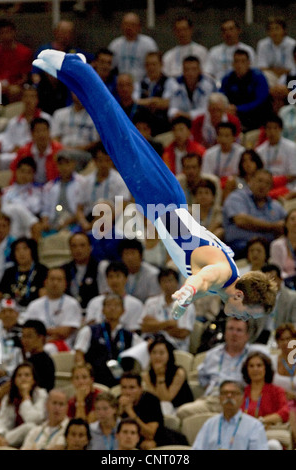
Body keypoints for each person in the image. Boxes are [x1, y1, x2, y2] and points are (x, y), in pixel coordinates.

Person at [32, 49, 279, 322]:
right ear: (240, 296)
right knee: (115, 128)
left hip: (163, 201)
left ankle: (69, 74)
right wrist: (189, 290)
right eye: (247, 315)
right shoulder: (221, 271)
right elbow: (205, 277)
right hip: (161, 200)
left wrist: (186, 301)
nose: (243, 320)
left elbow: (204, 284)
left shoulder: (224, 282)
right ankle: (75, 66)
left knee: (113, 134)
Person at [176, 317, 268, 420]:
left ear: (247, 336)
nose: (234, 334)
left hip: (240, 402)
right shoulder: (212, 354)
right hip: (213, 399)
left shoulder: (254, 356)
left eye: (239, 330)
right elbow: (202, 378)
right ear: (225, 332)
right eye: (230, 329)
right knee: (182, 412)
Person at [74, 293, 142, 387]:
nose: (112, 308)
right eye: (109, 305)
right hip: (95, 382)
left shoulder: (131, 336)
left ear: (123, 311)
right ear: (102, 310)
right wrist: (84, 376)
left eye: (116, 305)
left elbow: (143, 356)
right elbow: (79, 354)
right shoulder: (89, 331)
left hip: (122, 384)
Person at [222, 168, 287, 259]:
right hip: (240, 245)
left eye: (267, 183)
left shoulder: (276, 206)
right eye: (260, 181)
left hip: (269, 247)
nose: (263, 185)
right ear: (251, 181)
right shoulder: (237, 197)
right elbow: (241, 221)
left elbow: (286, 225)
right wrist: (273, 227)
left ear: (271, 187)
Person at [192, 379, 269, 450]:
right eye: (225, 393)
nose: (229, 396)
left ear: (242, 398)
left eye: (234, 393)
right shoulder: (209, 424)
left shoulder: (254, 426)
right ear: (219, 398)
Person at [23, 267, 82, 353]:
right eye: (52, 279)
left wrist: (41, 331)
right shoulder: (34, 305)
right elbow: (28, 330)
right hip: (38, 344)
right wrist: (52, 332)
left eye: (59, 280)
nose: (55, 283)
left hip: (64, 345)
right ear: (45, 282)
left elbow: (64, 333)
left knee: (48, 349)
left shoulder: (72, 304)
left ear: (65, 284)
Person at [75, 141, 131, 233]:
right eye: (100, 160)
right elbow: (79, 209)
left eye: (107, 160)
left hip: (112, 220)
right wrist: (84, 224)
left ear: (112, 161)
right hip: (90, 219)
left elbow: (122, 207)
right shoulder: (86, 181)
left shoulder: (119, 180)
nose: (104, 164)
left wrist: (101, 222)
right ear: (95, 161)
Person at [241, 350, 291, 449]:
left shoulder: (276, 391)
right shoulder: (241, 392)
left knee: (273, 445)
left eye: (259, 365)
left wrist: (261, 421)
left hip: (269, 436)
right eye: (251, 366)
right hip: (244, 435)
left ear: (266, 368)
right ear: (246, 370)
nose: (255, 369)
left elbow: (285, 412)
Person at [139, 268, 196, 351]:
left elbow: (183, 333)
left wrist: (155, 325)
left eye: (170, 281)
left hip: (177, 348)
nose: (167, 285)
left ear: (177, 283)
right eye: (164, 281)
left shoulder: (186, 305)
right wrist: (168, 324)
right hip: (152, 346)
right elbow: (144, 327)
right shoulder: (150, 302)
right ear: (160, 284)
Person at [0, 361, 48, 448]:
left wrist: (25, 397)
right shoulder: (9, 397)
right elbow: (2, 421)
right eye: (19, 376)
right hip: (13, 435)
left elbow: (34, 420)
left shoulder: (41, 394)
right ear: (15, 380)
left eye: (27, 375)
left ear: (33, 380)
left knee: (30, 427)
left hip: (37, 436)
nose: (23, 378)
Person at [220, 48, 272, 133]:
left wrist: (238, 108)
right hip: (234, 114)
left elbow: (261, 100)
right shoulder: (227, 78)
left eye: (243, 61)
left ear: (249, 63)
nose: (239, 65)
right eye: (236, 61)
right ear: (232, 64)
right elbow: (220, 96)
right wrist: (227, 107)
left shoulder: (258, 77)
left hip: (256, 115)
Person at [85, 260, 143, 333]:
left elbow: (135, 330)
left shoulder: (136, 304)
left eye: (118, 276)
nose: (114, 280)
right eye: (110, 277)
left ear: (126, 278)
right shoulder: (95, 302)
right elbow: (90, 326)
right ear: (106, 279)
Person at [97, 238, 161, 304]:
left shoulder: (153, 274)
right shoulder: (113, 273)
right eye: (126, 254)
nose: (130, 258)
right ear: (121, 257)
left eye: (133, 253)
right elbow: (105, 294)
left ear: (141, 255)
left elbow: (154, 301)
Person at [40, 149, 87, 235]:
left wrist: (67, 222)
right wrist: (45, 222)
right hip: (54, 224)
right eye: (60, 164)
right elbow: (45, 209)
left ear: (73, 164)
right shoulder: (49, 187)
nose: (64, 167)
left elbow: (83, 208)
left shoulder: (82, 182)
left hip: (75, 223)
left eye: (67, 163)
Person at [143, 336, 194, 415]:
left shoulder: (179, 372)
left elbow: (166, 399)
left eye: (161, 353)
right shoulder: (147, 375)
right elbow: (156, 398)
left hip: (180, 408)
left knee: (164, 406)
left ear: (169, 355)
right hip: (161, 407)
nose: (157, 356)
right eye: (154, 352)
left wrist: (160, 376)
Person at [0, 236, 48, 313]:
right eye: (17, 250)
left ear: (32, 251)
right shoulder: (9, 271)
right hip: (9, 312)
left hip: (33, 312)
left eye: (25, 249)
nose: (21, 253)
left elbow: (44, 298)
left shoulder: (41, 270)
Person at [108, 12, 158, 83]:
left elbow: (155, 66)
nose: (129, 27)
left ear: (139, 26)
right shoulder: (115, 44)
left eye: (132, 25)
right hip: (121, 83)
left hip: (143, 83)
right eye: (126, 24)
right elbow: (110, 67)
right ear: (122, 26)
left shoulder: (148, 43)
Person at [10, 117, 62, 185]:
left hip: (53, 187)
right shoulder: (23, 152)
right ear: (32, 134)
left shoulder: (59, 151)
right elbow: (15, 173)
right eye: (38, 131)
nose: (41, 134)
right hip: (29, 188)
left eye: (44, 130)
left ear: (49, 132)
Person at [255, 114, 296, 198]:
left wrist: (276, 181)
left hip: (285, 185)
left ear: (280, 129)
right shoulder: (259, 151)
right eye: (269, 128)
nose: (272, 132)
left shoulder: (291, 147)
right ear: (265, 130)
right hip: (265, 185)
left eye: (275, 128)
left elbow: (293, 174)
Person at [204, 19, 256, 84]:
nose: (228, 33)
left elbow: (253, 71)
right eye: (224, 30)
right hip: (219, 86)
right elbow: (207, 73)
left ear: (238, 31)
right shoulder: (214, 51)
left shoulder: (248, 50)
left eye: (231, 29)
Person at [167, 55, 217, 121]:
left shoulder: (208, 84)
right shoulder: (175, 84)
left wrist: (187, 115)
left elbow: (206, 110)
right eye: (187, 69)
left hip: (202, 121)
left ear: (200, 70)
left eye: (194, 69)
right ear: (183, 71)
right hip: (181, 120)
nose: (190, 73)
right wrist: (176, 114)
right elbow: (173, 108)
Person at [135, 51, 173, 136]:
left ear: (161, 64)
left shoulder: (169, 82)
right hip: (143, 129)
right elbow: (133, 102)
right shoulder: (140, 83)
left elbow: (164, 103)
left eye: (154, 64)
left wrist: (144, 102)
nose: (151, 68)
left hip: (163, 129)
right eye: (148, 65)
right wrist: (153, 101)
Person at [51, 91, 100, 157]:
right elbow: (54, 138)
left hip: (85, 153)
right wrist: (64, 149)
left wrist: (75, 150)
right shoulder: (59, 114)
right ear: (72, 92)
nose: (79, 95)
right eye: (76, 91)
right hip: (62, 152)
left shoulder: (95, 117)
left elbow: (95, 142)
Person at [0, 18, 33, 104]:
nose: (6, 35)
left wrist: (9, 86)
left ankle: (13, 114)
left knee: (14, 91)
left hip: (15, 86)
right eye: (2, 33)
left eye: (8, 32)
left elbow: (25, 78)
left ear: (14, 32)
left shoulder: (25, 52)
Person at [61, 231, 99, 312]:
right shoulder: (63, 270)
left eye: (82, 245)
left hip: (92, 312)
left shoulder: (99, 268)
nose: (78, 249)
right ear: (70, 249)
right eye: (74, 246)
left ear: (90, 247)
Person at [271, 323, 296, 445]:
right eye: (282, 339)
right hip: (279, 402)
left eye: (289, 338)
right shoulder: (271, 361)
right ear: (277, 342)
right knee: (289, 409)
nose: (286, 342)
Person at [201, 122, 245, 189]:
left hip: (237, 186)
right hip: (215, 186)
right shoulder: (209, 154)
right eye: (220, 135)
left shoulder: (242, 153)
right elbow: (206, 176)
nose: (223, 139)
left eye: (227, 136)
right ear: (217, 137)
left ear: (234, 138)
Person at [21, 319, 55, 393]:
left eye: (29, 336)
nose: (24, 340)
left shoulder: (41, 362)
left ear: (41, 338)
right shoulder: (32, 359)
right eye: (23, 336)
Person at [269, 208, 296, 286]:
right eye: (292, 219)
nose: (295, 222)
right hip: (286, 284)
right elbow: (276, 272)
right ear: (286, 223)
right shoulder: (276, 245)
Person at [0, 211, 15, 289]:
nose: (0, 229)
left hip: (9, 284)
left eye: (4, 226)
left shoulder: (14, 244)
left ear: (9, 228)